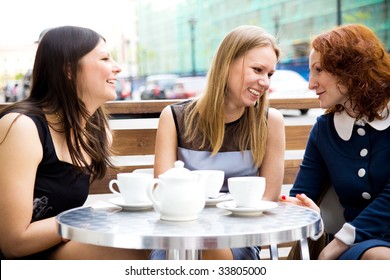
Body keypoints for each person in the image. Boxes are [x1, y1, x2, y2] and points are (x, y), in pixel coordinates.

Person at [0, 26, 148, 260]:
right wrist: (93, 215)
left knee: (147, 246)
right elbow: (13, 243)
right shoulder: (22, 127)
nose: (117, 67)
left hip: (57, 247)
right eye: (105, 58)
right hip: (20, 260)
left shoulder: (95, 132)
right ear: (69, 70)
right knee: (137, 253)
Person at [152, 25, 285, 260]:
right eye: (257, 70)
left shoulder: (270, 121)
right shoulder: (174, 118)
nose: (265, 82)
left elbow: (268, 198)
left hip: (240, 235)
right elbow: (162, 193)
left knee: (206, 249)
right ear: (226, 64)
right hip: (181, 234)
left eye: (269, 74)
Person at [281, 24, 390, 260]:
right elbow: (302, 194)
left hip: (346, 242)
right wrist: (304, 210)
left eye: (319, 70)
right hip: (363, 246)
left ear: (351, 68)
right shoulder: (325, 130)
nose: (311, 83)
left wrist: (338, 243)